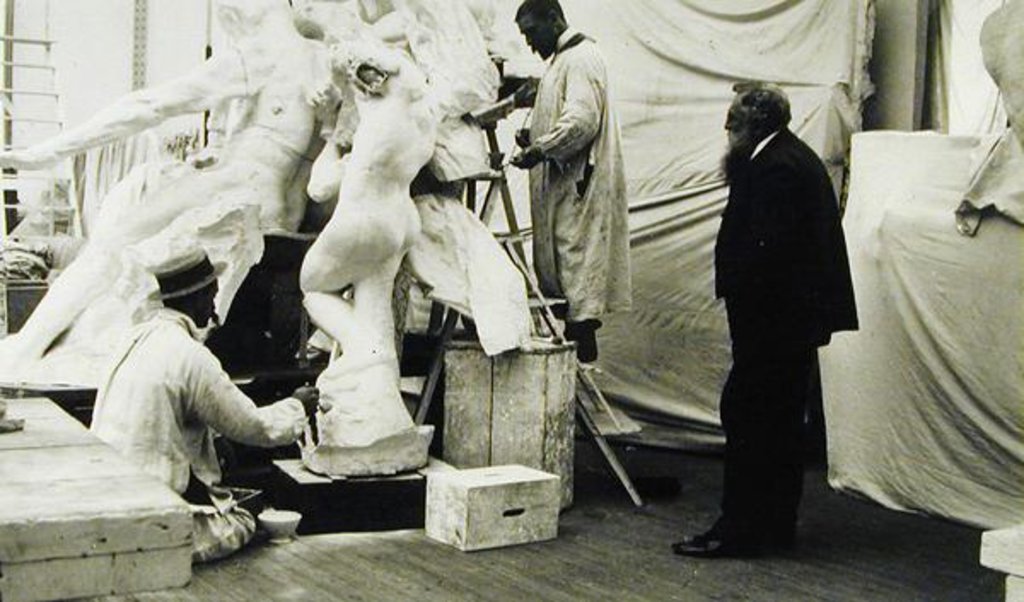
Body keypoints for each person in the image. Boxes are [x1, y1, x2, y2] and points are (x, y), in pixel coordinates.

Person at [0, 0, 330, 375]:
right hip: (282, 210)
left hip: (237, 190)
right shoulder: (321, 60)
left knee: (110, 244)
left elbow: (149, 106)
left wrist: (43, 154)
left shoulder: (262, 53)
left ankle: (25, 349)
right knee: (135, 227)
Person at [672, 83, 858, 558]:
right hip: (785, 325)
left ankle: (741, 529)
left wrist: (746, 303)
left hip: (773, 326)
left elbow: (769, 254)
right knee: (775, 423)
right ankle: (771, 525)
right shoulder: (789, 158)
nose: (726, 128)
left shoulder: (775, 167)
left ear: (756, 124)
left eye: (733, 120)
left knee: (751, 417)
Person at [90, 246, 322, 563]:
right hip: (151, 504)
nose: (214, 306)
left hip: (109, 493)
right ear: (199, 297)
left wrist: (214, 440)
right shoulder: (190, 354)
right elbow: (254, 426)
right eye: (212, 296)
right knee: (243, 521)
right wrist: (297, 406)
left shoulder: (133, 339)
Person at [510, 0, 631, 363]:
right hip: (566, 191)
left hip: (580, 190)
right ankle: (576, 367)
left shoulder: (581, 58)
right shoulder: (561, 62)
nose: (530, 43)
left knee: (579, 288)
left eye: (532, 32)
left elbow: (580, 122)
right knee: (567, 283)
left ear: (554, 19)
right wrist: (533, 134)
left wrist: (540, 149)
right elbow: (564, 116)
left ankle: (581, 365)